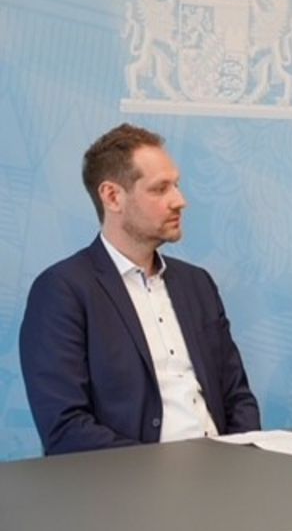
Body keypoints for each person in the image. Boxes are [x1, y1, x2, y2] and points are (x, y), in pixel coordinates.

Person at [20, 123, 260, 455]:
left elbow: (237, 396)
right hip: (129, 489)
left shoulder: (197, 283)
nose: (180, 201)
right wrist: (155, 472)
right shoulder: (63, 290)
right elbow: (66, 427)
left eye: (176, 185)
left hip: (223, 478)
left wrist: (242, 458)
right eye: (160, 189)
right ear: (113, 196)